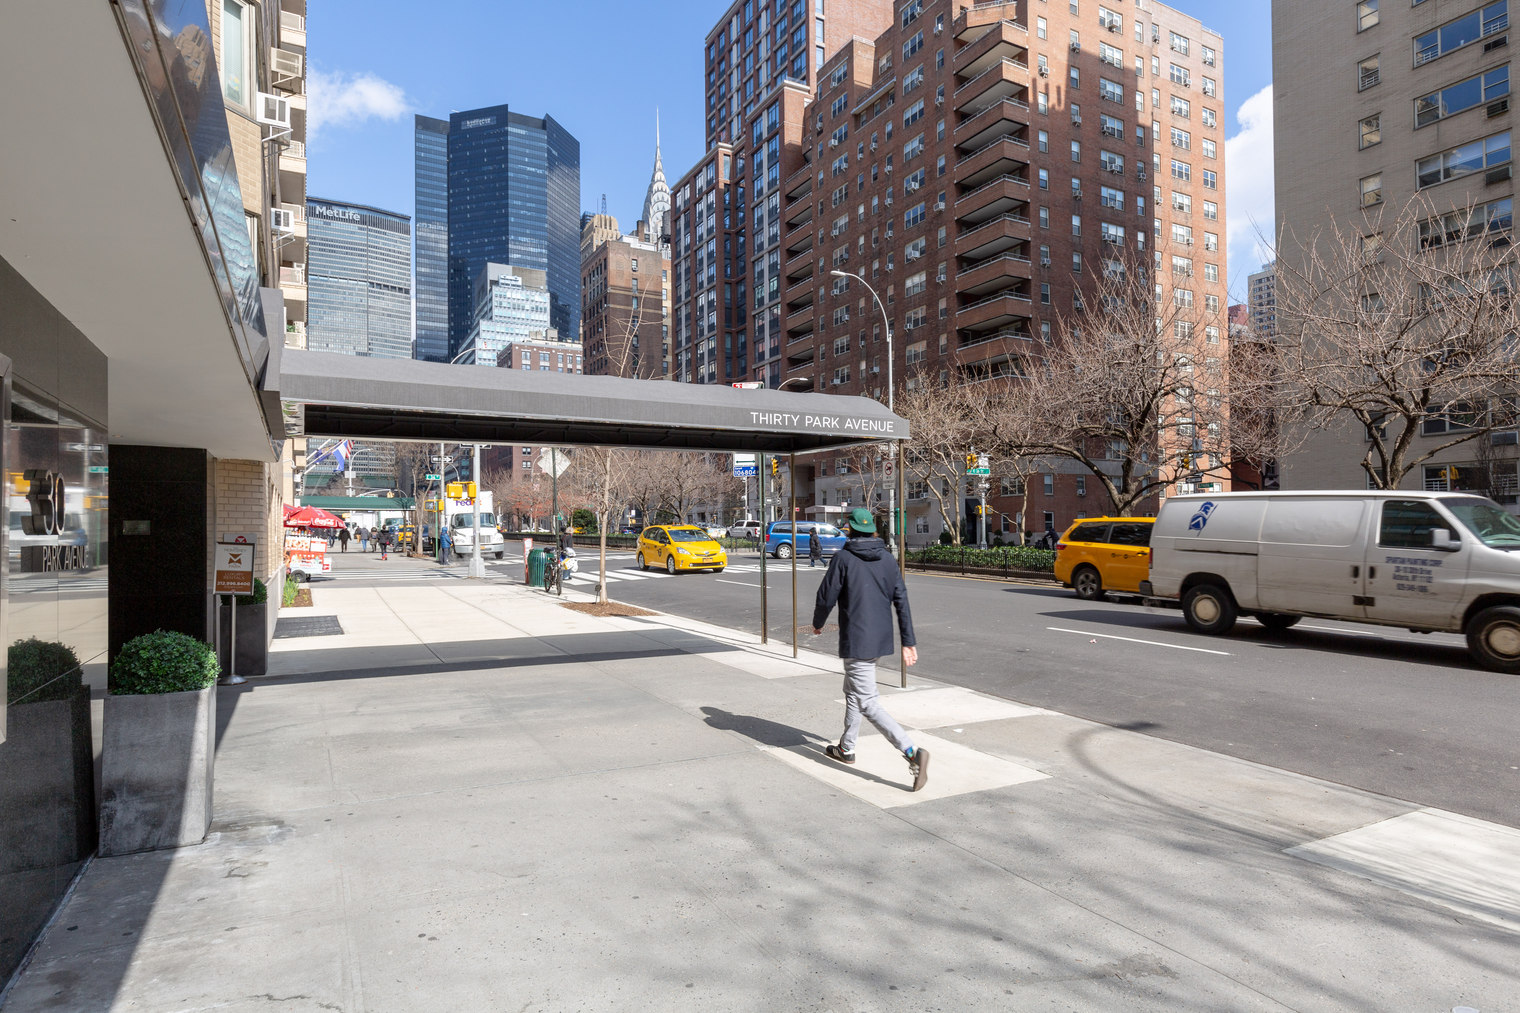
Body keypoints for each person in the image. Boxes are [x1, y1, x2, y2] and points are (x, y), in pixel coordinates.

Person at [811, 507, 928, 791]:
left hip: (857, 641)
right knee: (852, 691)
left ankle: (911, 751)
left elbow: (826, 596)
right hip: (879, 639)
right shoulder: (887, 559)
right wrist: (908, 641)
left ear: (850, 529)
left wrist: (818, 623)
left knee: (868, 702)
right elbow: (902, 600)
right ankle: (846, 747)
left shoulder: (843, 558)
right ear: (873, 530)